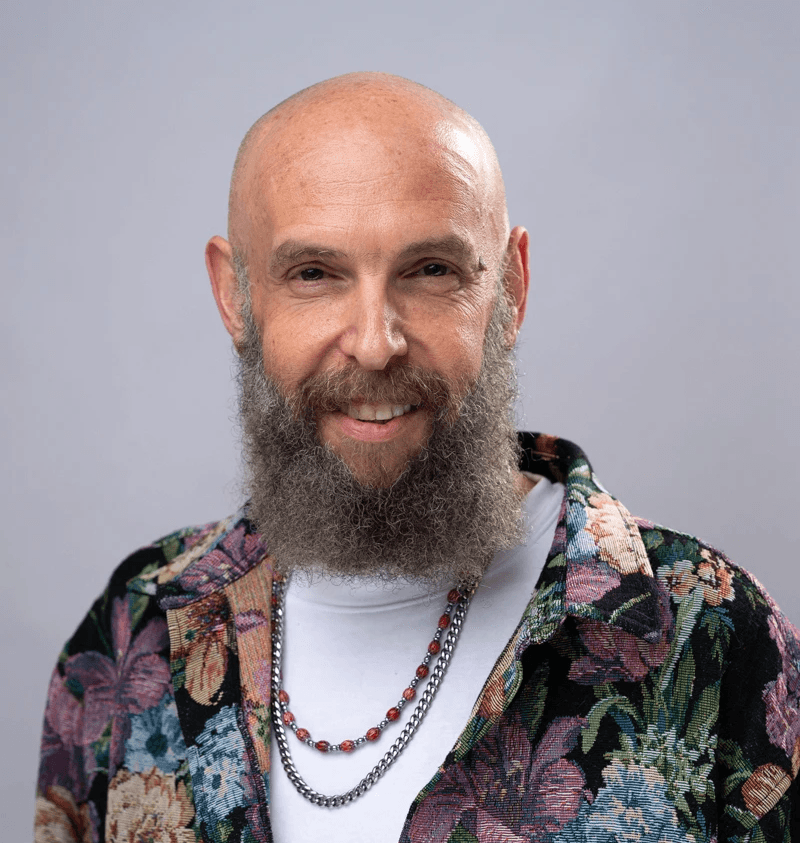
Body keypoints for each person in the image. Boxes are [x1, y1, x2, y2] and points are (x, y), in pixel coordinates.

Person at [35, 72, 799, 843]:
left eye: (432, 269)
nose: (375, 344)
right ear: (236, 297)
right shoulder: (132, 631)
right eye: (314, 274)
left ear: (511, 286)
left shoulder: (715, 635)